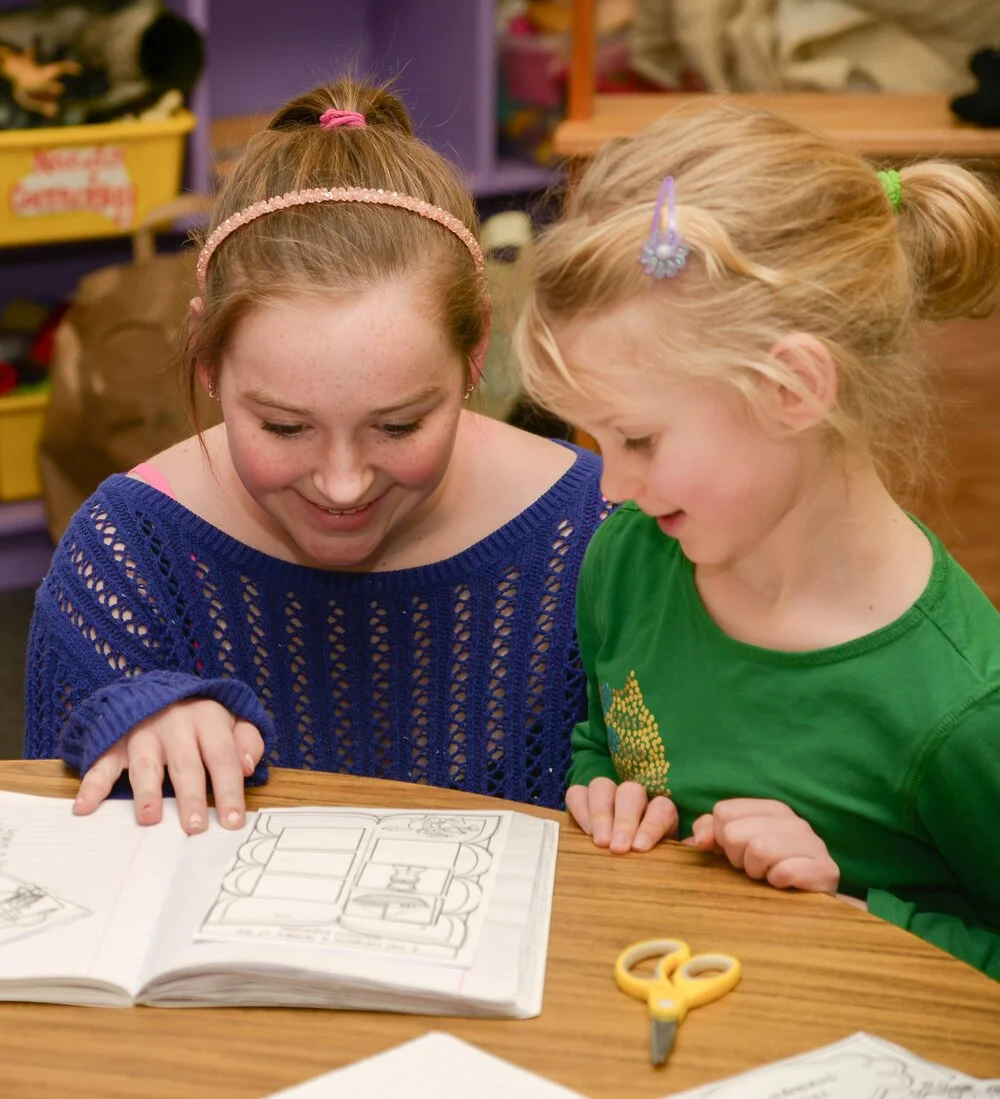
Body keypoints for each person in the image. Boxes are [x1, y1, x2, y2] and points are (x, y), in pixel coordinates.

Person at [23, 79, 609, 833]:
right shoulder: (123, 556)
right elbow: (57, 885)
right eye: (284, 427)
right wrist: (124, 729)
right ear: (207, 359)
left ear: (475, 351)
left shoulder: (598, 537)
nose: (343, 484)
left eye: (398, 427)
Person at [514, 101, 1000, 979]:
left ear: (794, 389)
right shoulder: (630, 559)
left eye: (638, 439)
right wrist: (604, 787)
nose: (611, 485)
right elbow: (605, 733)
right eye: (592, 440)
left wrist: (853, 911)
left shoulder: (962, 710)